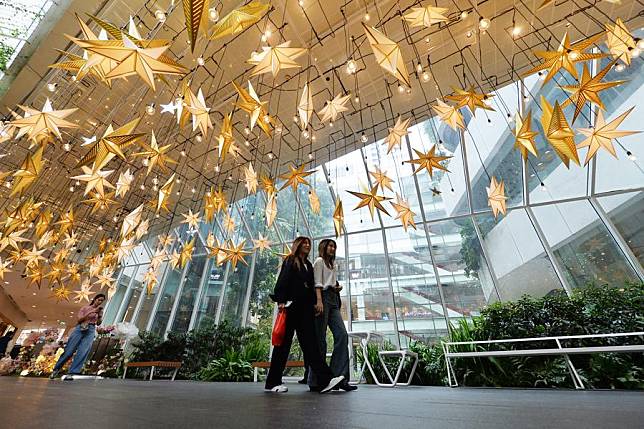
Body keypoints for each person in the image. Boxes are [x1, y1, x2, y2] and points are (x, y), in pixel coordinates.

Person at [264, 236, 345, 394]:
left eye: (309, 243)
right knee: (282, 345)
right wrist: (281, 300)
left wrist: (316, 303)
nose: (307, 245)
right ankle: (273, 382)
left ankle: (325, 380)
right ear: (298, 245)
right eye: (304, 243)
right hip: (291, 307)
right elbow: (283, 280)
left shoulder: (308, 265)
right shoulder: (291, 260)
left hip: (305, 310)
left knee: (311, 346)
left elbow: (311, 288)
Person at [308, 239, 356, 391]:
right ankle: (316, 381)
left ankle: (339, 378)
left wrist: (337, 287)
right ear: (323, 247)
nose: (332, 248)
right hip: (321, 297)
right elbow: (317, 283)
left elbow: (331, 282)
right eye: (330, 246)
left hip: (333, 299)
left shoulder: (333, 264)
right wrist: (319, 301)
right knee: (320, 340)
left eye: (334, 246)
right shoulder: (319, 261)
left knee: (342, 335)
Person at [50, 293, 106, 379]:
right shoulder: (85, 308)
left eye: (102, 301)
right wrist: (92, 312)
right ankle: (56, 369)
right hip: (80, 328)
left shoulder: (99, 311)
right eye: (99, 300)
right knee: (69, 350)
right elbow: (80, 319)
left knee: (83, 351)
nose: (100, 302)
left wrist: (99, 316)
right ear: (95, 299)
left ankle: (72, 372)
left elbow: (98, 323)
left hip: (91, 330)